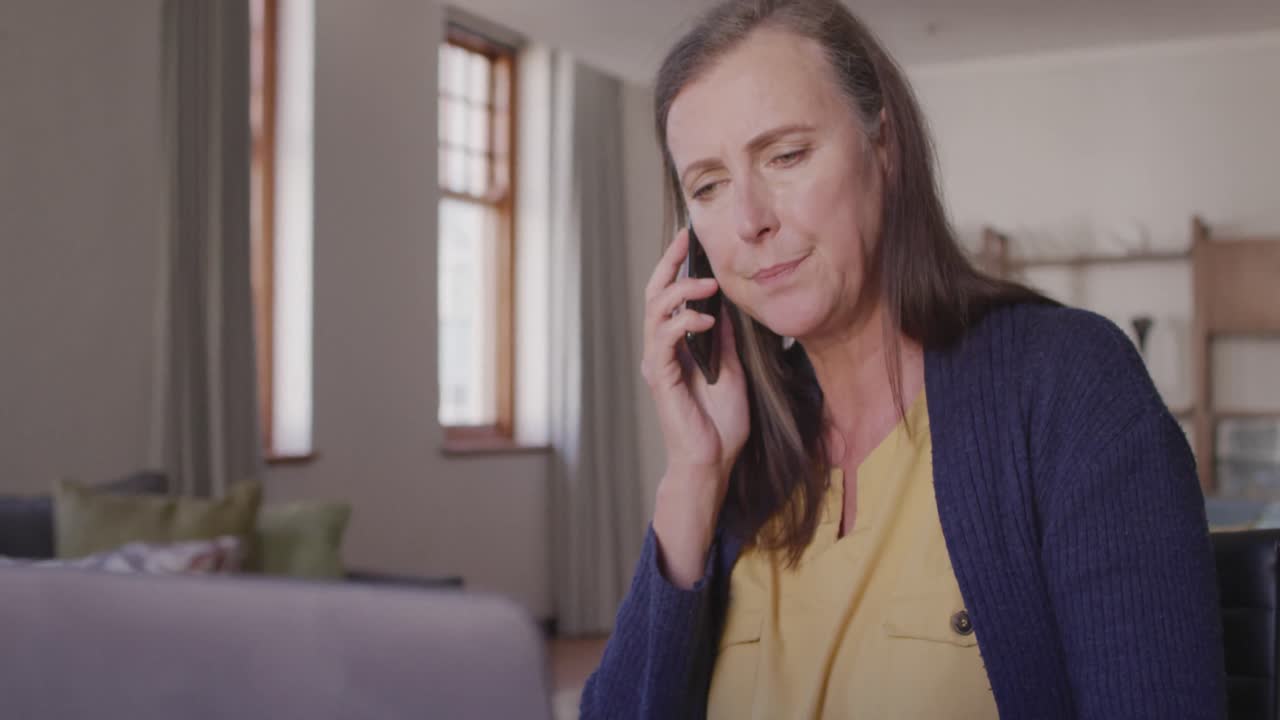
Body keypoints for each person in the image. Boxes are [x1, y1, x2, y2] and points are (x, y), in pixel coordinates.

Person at [580, 0, 1225, 718]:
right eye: (707, 186)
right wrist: (693, 478)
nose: (748, 220)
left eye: (786, 155)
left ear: (883, 147)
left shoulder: (1068, 386)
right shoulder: (740, 459)